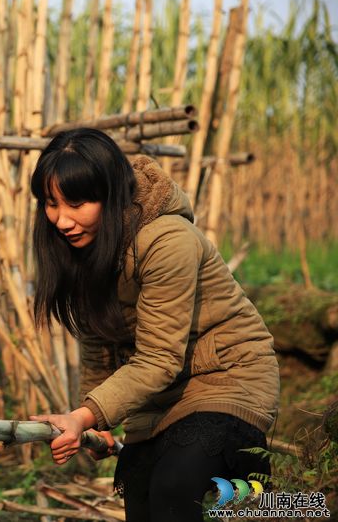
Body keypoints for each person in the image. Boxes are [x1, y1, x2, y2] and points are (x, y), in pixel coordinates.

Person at [28, 128, 279, 522]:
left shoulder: (168, 240)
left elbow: (160, 358)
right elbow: (98, 344)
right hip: (157, 399)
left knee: (174, 490)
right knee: (142, 504)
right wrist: (96, 417)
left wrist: (83, 417)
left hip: (227, 378)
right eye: (50, 203)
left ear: (111, 194)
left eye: (77, 203)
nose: (61, 220)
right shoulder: (78, 248)